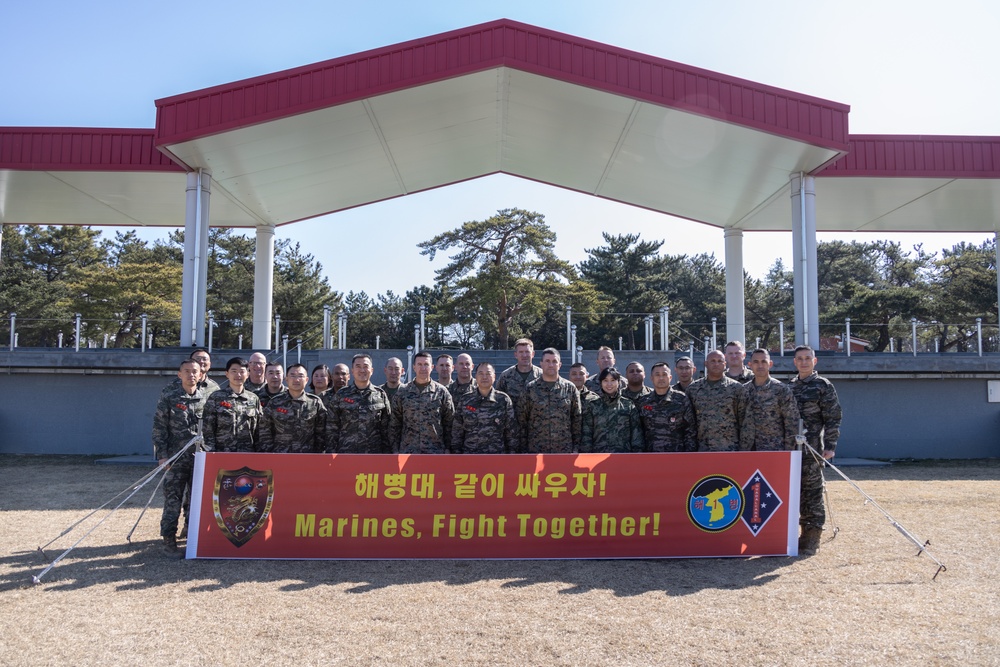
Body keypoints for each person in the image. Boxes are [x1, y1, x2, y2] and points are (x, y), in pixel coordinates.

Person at [789, 345, 843, 556]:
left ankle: (811, 538)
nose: (804, 362)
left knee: (812, 493)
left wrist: (830, 446)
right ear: (794, 362)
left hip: (813, 449)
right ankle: (794, 536)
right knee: (794, 493)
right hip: (792, 450)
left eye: (807, 358)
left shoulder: (823, 386)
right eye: (800, 358)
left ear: (815, 361)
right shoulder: (790, 387)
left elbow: (833, 417)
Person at [151, 359, 206, 558]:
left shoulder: (206, 399)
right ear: (179, 374)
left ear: (201, 375)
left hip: (199, 459)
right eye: (187, 371)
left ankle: (192, 537)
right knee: (173, 500)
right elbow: (159, 427)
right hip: (175, 458)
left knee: (196, 500)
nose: (191, 375)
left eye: (195, 372)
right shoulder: (170, 397)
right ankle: (168, 541)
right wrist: (162, 455)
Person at [517, 348, 581, 453]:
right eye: (547, 361)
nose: (551, 365)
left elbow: (577, 420)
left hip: (564, 450)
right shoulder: (530, 388)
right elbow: (522, 421)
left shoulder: (570, 388)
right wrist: (524, 450)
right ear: (541, 364)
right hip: (536, 450)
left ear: (560, 365)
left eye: (554, 361)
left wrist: (575, 448)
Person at [390, 351, 455, 453]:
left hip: (435, 452)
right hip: (408, 451)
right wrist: (395, 450)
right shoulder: (402, 392)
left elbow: (449, 423)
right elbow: (395, 424)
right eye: (419, 364)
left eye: (426, 364)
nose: (423, 368)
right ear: (414, 367)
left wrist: (447, 448)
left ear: (432, 367)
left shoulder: (441, 392)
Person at [326, 353, 391, 453]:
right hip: (346, 454)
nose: (362, 370)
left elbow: (386, 428)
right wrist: (331, 452)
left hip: (373, 454)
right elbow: (332, 426)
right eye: (358, 367)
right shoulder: (341, 395)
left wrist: (387, 454)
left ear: (372, 370)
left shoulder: (380, 395)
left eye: (365, 367)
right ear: (352, 371)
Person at [739, 349, 800, 452]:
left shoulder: (781, 390)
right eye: (756, 362)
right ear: (750, 364)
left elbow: (792, 422)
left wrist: (789, 451)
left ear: (770, 364)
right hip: (747, 450)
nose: (760, 365)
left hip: (774, 449)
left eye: (764, 361)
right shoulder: (743, 390)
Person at [257, 363, 327, 453]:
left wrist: (316, 453)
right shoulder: (275, 402)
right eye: (292, 375)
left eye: (300, 376)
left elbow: (321, 433)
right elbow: (265, 431)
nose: (296, 380)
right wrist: (270, 452)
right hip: (280, 456)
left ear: (306, 380)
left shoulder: (315, 403)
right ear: (286, 379)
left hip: (307, 457)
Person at [683, 350, 745, 451]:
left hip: (730, 449)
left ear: (725, 364)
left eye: (720, 361)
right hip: (702, 449)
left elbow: (743, 422)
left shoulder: (736, 388)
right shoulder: (693, 389)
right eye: (712, 361)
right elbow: (689, 423)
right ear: (706, 364)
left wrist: (743, 450)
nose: (716, 364)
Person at [451, 362, 519, 453]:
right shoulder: (465, 400)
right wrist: (456, 453)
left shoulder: (503, 400)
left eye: (488, 374)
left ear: (494, 377)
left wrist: (512, 453)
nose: (484, 377)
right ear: (476, 376)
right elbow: (457, 431)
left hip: (496, 457)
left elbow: (511, 432)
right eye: (481, 373)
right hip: (470, 457)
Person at [203, 357, 262, 453]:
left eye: (242, 371)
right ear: (227, 374)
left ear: (247, 374)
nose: (238, 375)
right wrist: (210, 451)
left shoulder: (253, 398)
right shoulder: (216, 397)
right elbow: (207, 428)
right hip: (222, 453)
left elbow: (259, 429)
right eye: (234, 371)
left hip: (248, 453)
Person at [580, 367, 643, 453]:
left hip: (623, 456)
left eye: (613, 380)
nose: (609, 384)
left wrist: (636, 455)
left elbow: (636, 434)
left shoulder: (628, 405)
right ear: (601, 383)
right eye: (605, 380)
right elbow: (586, 435)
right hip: (598, 457)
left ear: (619, 382)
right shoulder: (593, 405)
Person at [635, 362, 693, 452]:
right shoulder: (643, 401)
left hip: (676, 456)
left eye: (664, 374)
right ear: (651, 378)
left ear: (670, 377)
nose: (661, 378)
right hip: (650, 456)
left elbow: (690, 430)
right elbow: (638, 432)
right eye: (657, 375)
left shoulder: (682, 399)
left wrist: (689, 456)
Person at [496, 338, 543, 419]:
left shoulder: (542, 376)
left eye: (527, 352)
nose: (524, 355)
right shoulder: (505, 376)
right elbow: (498, 401)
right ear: (515, 354)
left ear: (533, 354)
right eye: (521, 352)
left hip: (536, 426)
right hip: (513, 426)